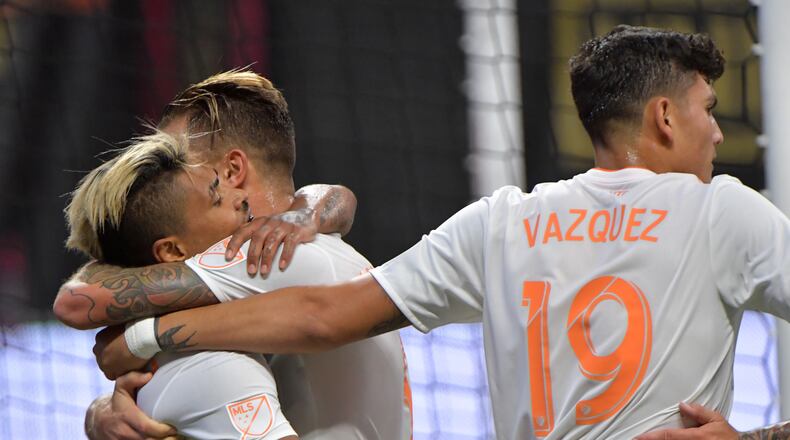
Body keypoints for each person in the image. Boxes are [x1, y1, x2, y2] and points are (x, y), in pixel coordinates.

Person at [90, 25, 790, 438]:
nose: (718, 132)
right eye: (709, 109)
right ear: (665, 118)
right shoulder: (721, 210)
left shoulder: (503, 220)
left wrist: (136, 344)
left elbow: (325, 314)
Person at [54, 71, 411, 439]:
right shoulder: (315, 240)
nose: (162, 168)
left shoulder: (260, 253)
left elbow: (79, 303)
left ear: (231, 169)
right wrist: (106, 409)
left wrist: (139, 339)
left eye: (177, 159)